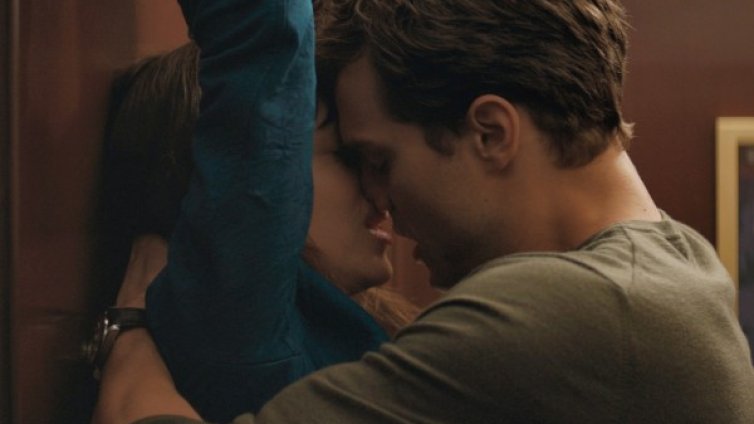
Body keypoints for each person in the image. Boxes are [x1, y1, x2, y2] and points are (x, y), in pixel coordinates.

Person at [95, 0, 754, 422]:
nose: (383, 200)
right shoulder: (682, 263)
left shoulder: (568, 311)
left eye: (379, 160)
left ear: (491, 133)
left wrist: (127, 334)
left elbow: (260, 42)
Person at [94, 24, 416, 424]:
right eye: (350, 158)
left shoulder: (376, 334)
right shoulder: (248, 336)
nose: (380, 190)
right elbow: (263, 33)